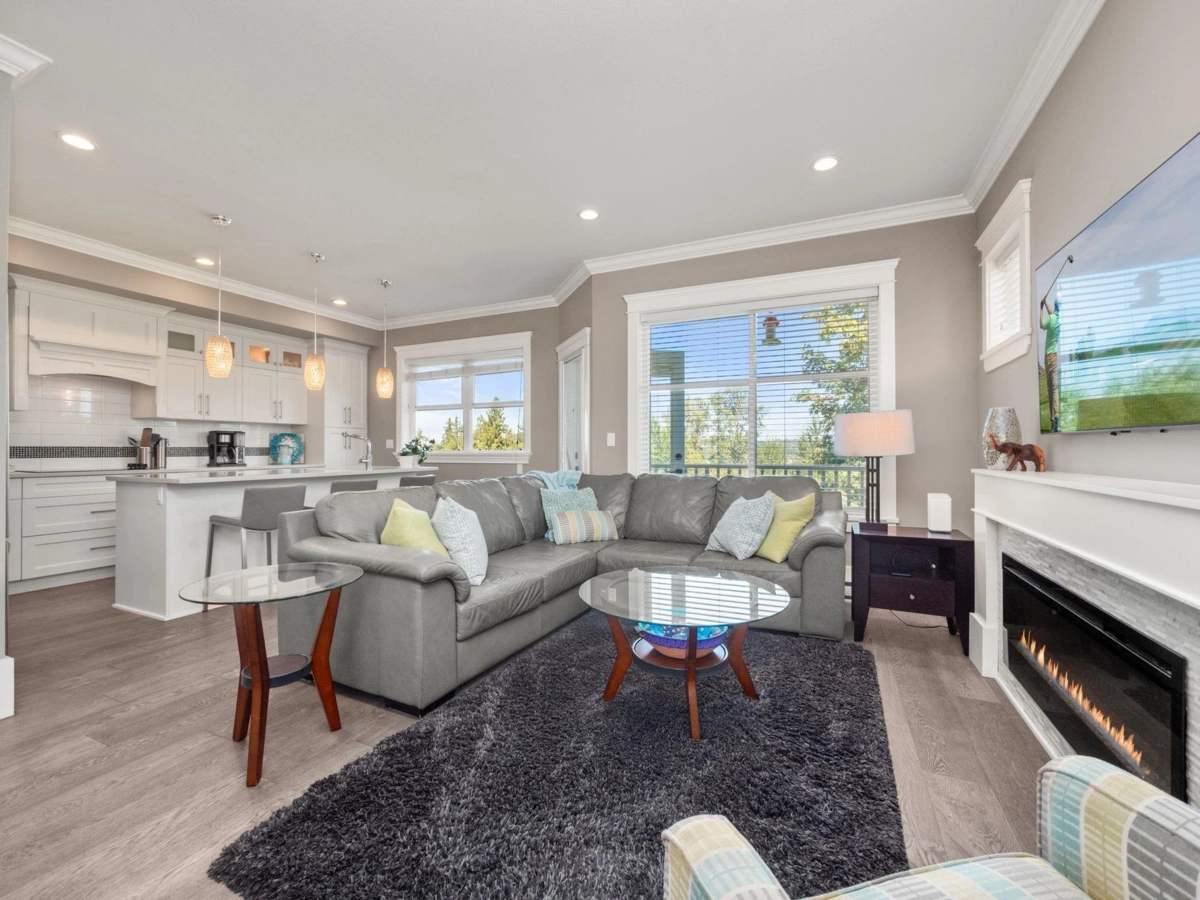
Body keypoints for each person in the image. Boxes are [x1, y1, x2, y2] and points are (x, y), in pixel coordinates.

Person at [1040, 293, 1062, 431]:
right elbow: (1052, 314)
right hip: (1055, 357)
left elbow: (1041, 325)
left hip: (1048, 357)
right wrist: (1046, 302)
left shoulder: (1051, 318)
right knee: (1055, 388)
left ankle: (1053, 420)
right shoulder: (1059, 318)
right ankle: (1056, 417)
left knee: (1050, 389)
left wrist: (1040, 307)